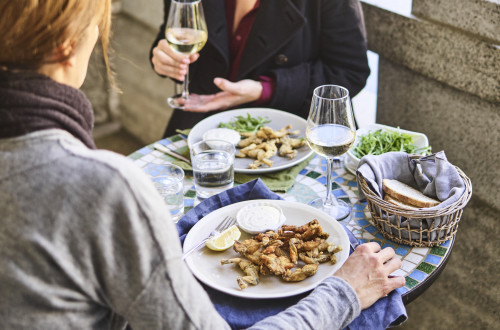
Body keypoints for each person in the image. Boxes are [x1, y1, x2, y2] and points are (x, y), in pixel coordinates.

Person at [0, 1, 403, 329]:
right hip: (198, 140)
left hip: (290, 141)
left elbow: (350, 69)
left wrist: (265, 88)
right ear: (67, 45)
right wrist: (345, 290)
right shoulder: (105, 185)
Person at [151, 0, 371, 137]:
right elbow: (173, 34)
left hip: (292, 133)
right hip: (201, 125)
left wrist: (267, 89)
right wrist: (164, 58)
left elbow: (350, 72)